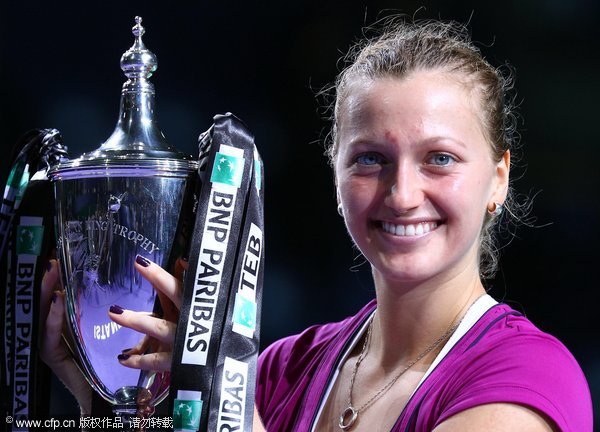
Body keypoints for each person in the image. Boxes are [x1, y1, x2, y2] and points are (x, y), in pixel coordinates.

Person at [41, 19, 592, 431]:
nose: (402, 194)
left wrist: (221, 388)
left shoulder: (528, 378)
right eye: (370, 159)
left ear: (498, 179)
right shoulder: (283, 369)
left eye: (440, 158)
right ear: (335, 174)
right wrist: (104, 390)